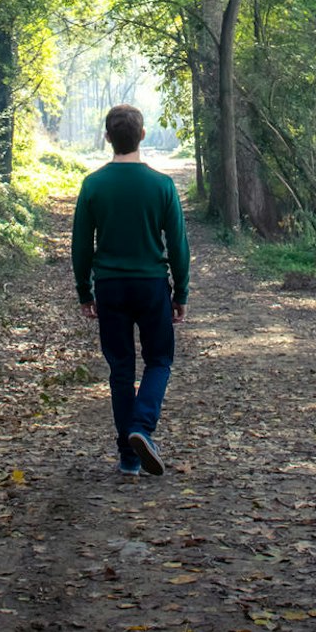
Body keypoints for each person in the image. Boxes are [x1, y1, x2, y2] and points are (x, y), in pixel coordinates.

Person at [70, 104, 190, 476]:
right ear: (141, 134)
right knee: (159, 360)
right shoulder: (162, 185)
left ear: (108, 138)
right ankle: (142, 427)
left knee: (121, 369)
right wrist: (180, 293)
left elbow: (80, 246)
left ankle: (129, 456)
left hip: (110, 288)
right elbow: (179, 246)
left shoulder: (93, 185)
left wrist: (84, 291)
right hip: (151, 286)